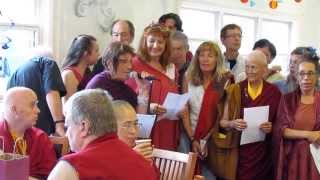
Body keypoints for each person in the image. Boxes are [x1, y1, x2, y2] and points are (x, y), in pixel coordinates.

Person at [47, 89, 159, 180]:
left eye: (68, 126)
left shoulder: (72, 167)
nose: (67, 134)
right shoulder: (143, 164)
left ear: (84, 126)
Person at [215, 50, 281, 180]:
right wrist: (232, 123)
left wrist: (271, 127)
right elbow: (222, 123)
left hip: (264, 155)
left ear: (264, 69)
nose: (249, 71)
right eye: (247, 66)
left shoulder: (274, 92)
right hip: (238, 152)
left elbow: (280, 124)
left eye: (253, 67)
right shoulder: (236, 89)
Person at [181, 41, 231, 179]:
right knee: (187, 174)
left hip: (213, 137)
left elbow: (222, 115)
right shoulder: (188, 77)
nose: (205, 59)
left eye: (210, 55)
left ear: (217, 59)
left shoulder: (224, 80)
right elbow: (185, 111)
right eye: (201, 55)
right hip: (189, 134)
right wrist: (193, 139)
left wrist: (205, 140)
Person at [127, 23, 181, 151]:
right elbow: (126, 99)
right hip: (144, 126)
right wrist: (148, 107)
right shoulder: (134, 64)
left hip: (167, 125)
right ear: (144, 41)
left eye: (160, 42)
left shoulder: (170, 67)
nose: (156, 46)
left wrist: (179, 107)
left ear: (166, 44)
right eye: (152, 41)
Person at [274, 53, 320, 180]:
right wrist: (308, 134)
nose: (306, 77)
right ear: (296, 76)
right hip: (292, 159)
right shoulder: (287, 100)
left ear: (317, 76)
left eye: (310, 73)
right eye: (302, 73)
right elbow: (281, 130)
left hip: (317, 159)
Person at [0, 87, 57, 179]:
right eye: (32, 105)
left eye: (37, 105)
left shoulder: (40, 137)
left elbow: (52, 176)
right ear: (14, 110)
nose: (38, 110)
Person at [7, 50, 66, 136]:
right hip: (46, 131)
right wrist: (59, 125)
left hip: (21, 134)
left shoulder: (14, 74)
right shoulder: (47, 62)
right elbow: (52, 92)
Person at [86, 42, 149, 113]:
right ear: (109, 63)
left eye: (130, 61)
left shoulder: (125, 88)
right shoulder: (97, 85)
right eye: (123, 61)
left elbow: (138, 119)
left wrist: (143, 90)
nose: (130, 66)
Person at [61, 34, 100, 103]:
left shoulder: (87, 72)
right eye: (96, 51)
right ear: (85, 53)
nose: (99, 54)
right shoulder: (69, 75)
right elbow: (68, 108)